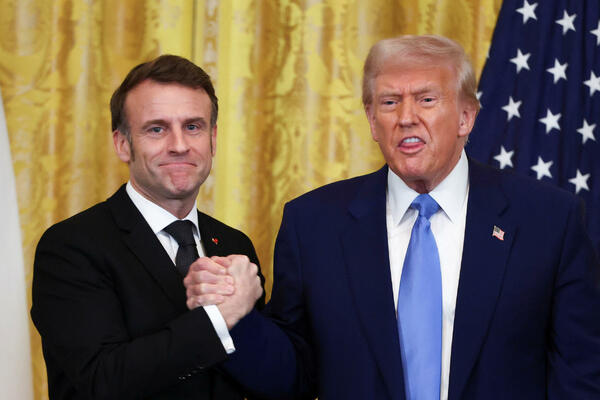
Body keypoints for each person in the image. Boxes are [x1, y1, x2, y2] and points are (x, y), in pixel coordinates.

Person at [185, 35, 600, 399]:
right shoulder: (313, 224)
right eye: (389, 102)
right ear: (371, 120)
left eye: (426, 99)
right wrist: (233, 317)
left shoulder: (548, 219)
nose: (405, 117)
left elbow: (581, 373)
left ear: (466, 117)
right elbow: (291, 377)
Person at [31, 55, 264, 399]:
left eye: (193, 127)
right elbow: (103, 381)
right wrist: (220, 316)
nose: (179, 145)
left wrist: (252, 321)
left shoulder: (235, 245)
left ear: (213, 139)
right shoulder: (71, 246)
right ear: (123, 144)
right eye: (157, 129)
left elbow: (269, 382)